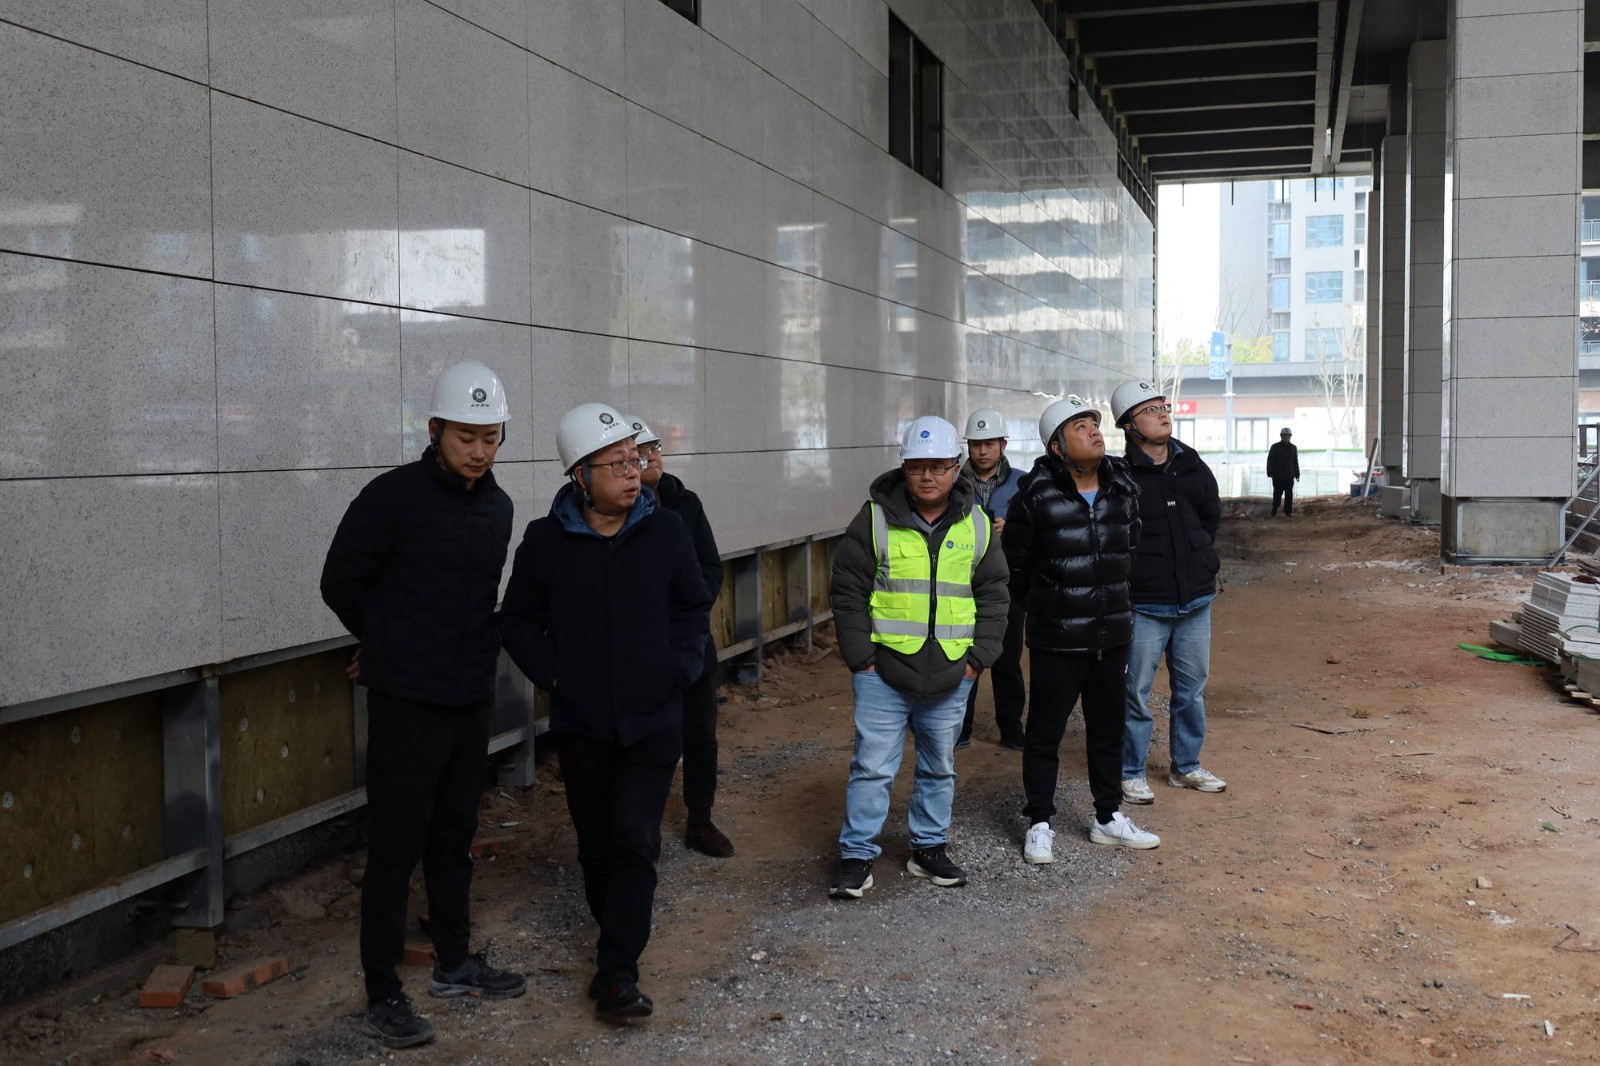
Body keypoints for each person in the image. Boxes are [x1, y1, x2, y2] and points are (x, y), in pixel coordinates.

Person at [320, 361, 526, 1050]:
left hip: (469, 699)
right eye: (466, 436)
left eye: (490, 437)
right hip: (406, 702)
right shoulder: (391, 498)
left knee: (453, 838)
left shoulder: (498, 509)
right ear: (434, 429)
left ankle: (454, 963)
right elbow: (340, 581)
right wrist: (386, 645)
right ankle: (382, 993)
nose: (479, 451)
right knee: (394, 850)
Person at [499, 402, 712, 1019]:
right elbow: (517, 621)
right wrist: (555, 676)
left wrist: (679, 669)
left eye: (633, 460)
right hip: (583, 724)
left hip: (654, 719)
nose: (630, 472)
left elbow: (692, 606)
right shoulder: (545, 542)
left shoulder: (665, 531)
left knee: (635, 839)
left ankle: (618, 969)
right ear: (580, 477)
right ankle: (615, 943)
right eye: (614, 464)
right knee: (596, 844)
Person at [827, 415, 1010, 899]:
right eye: (916, 467)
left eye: (938, 466)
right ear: (903, 468)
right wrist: (861, 658)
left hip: (952, 672)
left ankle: (928, 848)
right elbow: (848, 591)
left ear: (955, 467)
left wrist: (977, 659)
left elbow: (994, 594)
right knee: (872, 767)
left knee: (939, 767)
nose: (927, 476)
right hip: (882, 673)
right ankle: (856, 855)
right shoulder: (874, 519)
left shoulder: (976, 524)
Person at [1004, 395, 1160, 865]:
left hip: (1112, 637)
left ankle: (1107, 817)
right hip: (1056, 639)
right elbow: (1016, 571)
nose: (1094, 430)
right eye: (1079, 426)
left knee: (1107, 729)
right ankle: (1039, 823)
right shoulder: (1033, 498)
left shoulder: (1122, 488)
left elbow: (1130, 550)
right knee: (1045, 733)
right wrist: (1051, 607)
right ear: (1057, 447)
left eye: (1093, 422)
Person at [1109, 380, 1227, 807]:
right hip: (1145, 603)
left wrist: (1196, 557)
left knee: (1191, 690)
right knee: (1136, 692)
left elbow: (1210, 517)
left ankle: (1186, 766)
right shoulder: (1120, 476)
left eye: (1163, 406)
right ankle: (1131, 771)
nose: (1162, 413)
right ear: (1128, 425)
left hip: (1195, 598)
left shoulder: (1191, 464)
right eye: (1149, 409)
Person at [627, 414, 732, 858]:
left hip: (691, 645)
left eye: (654, 449)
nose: (651, 458)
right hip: (642, 651)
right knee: (649, 741)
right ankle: (643, 826)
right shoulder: (619, 512)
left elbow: (711, 568)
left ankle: (700, 820)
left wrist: (688, 610)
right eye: (640, 452)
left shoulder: (686, 504)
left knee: (700, 735)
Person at [956, 409, 1027, 751]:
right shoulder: (953, 484)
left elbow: (1039, 529)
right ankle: (960, 729)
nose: (982, 451)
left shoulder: (1024, 484)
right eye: (976, 444)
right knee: (961, 656)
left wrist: (1012, 529)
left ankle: (1011, 728)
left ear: (1003, 444)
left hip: (1008, 583)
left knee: (1007, 659)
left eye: (989, 443)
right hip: (961, 584)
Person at [1267, 427, 1300, 516]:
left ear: (1290, 437)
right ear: (1281, 436)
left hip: (1289, 476)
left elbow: (1295, 462)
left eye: (1288, 436)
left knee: (1289, 495)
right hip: (1278, 476)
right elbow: (1270, 460)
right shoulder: (1275, 447)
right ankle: (1274, 509)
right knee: (1277, 495)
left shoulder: (1293, 448)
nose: (1286, 437)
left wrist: (1297, 474)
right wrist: (1269, 472)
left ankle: (1288, 512)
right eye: (1285, 436)